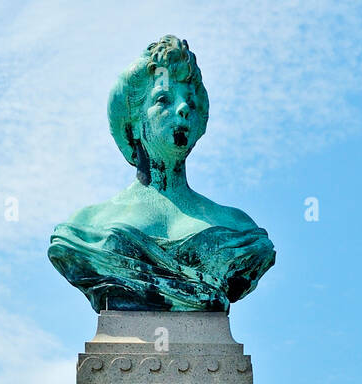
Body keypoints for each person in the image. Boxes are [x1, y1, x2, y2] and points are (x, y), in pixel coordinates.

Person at [48, 36, 275, 311]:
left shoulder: (239, 229)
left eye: (190, 102)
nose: (182, 109)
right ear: (132, 124)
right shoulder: (85, 229)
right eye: (163, 99)